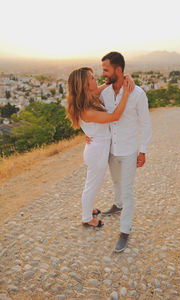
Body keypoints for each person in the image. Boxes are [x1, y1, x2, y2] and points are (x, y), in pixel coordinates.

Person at [88, 52, 152, 252]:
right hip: (111, 149)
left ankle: (124, 231)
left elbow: (146, 125)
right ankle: (117, 204)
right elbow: (87, 107)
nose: (103, 74)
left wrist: (143, 151)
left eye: (106, 70)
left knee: (128, 189)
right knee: (116, 182)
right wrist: (87, 132)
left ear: (118, 70)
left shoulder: (138, 94)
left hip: (129, 150)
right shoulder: (105, 92)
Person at [66, 67, 133, 228]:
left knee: (92, 184)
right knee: (92, 186)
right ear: (84, 85)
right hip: (97, 152)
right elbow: (115, 116)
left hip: (97, 148)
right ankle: (87, 217)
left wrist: (122, 78)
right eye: (91, 78)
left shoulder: (89, 97)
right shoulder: (87, 110)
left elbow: (104, 85)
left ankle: (89, 210)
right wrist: (126, 94)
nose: (95, 79)